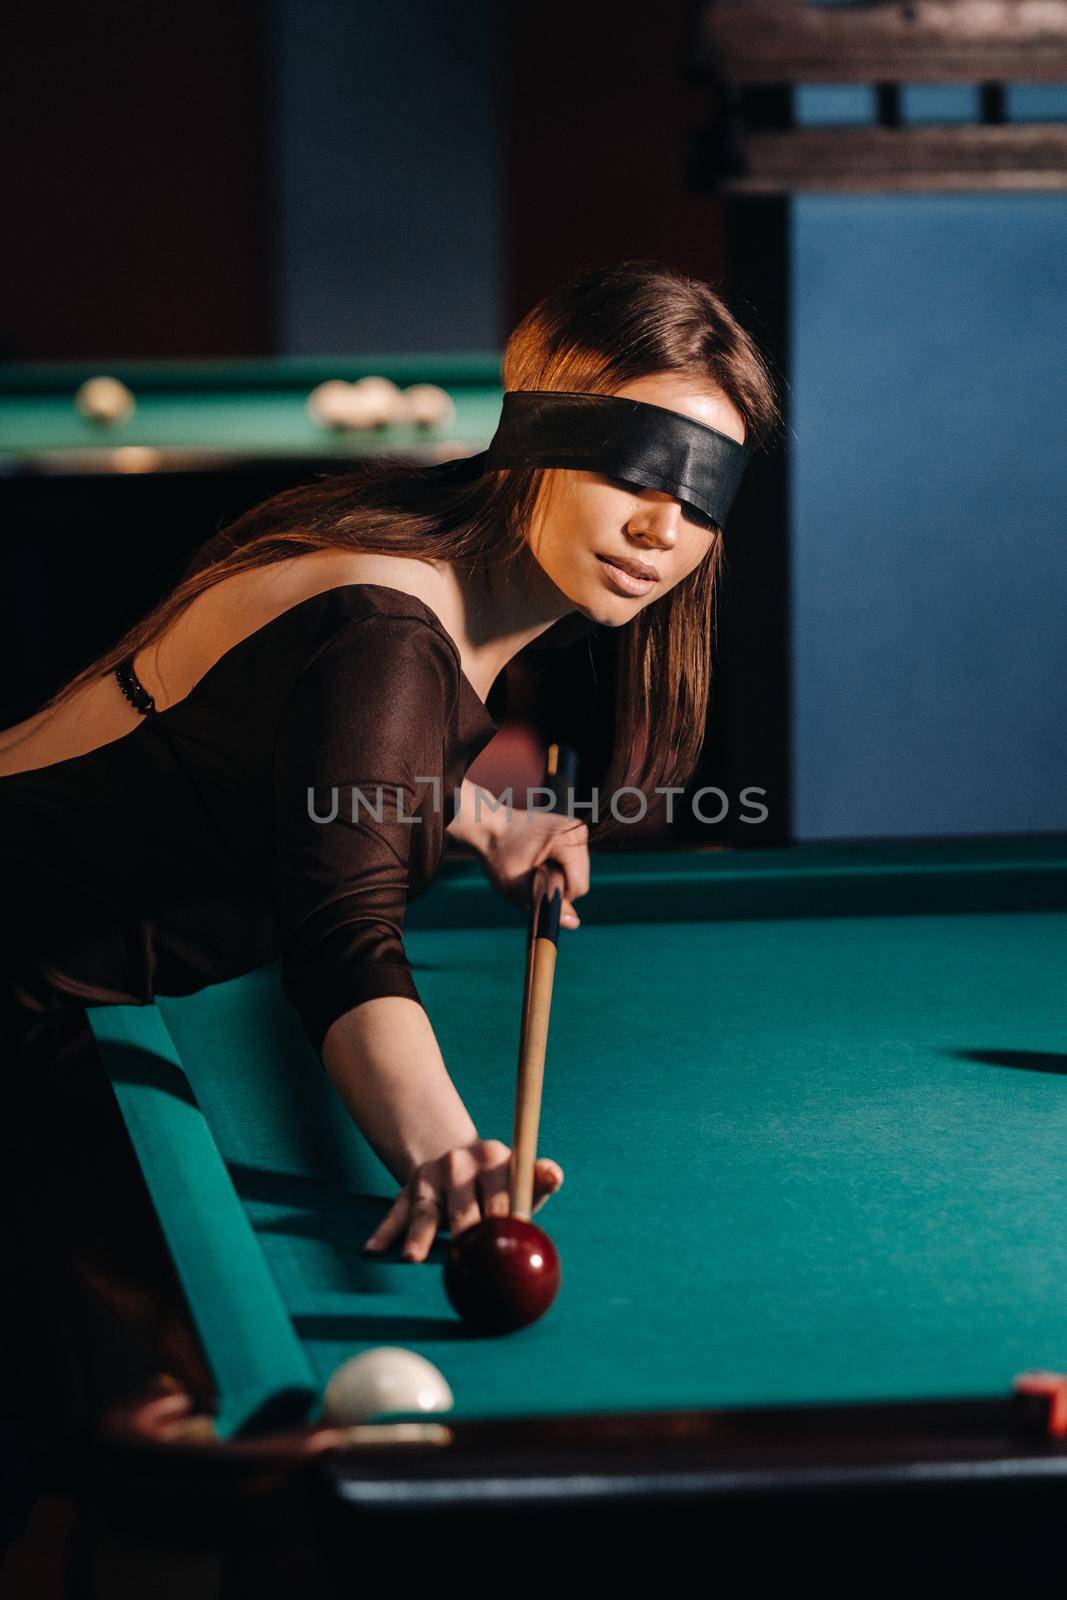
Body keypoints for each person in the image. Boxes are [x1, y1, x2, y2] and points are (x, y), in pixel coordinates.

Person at [0, 261, 779, 1263]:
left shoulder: (423, 576)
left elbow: (304, 771)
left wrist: (484, 822)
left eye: (700, 495)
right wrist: (443, 1148)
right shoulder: (386, 634)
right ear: (536, 435)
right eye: (630, 470)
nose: (659, 528)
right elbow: (342, 936)